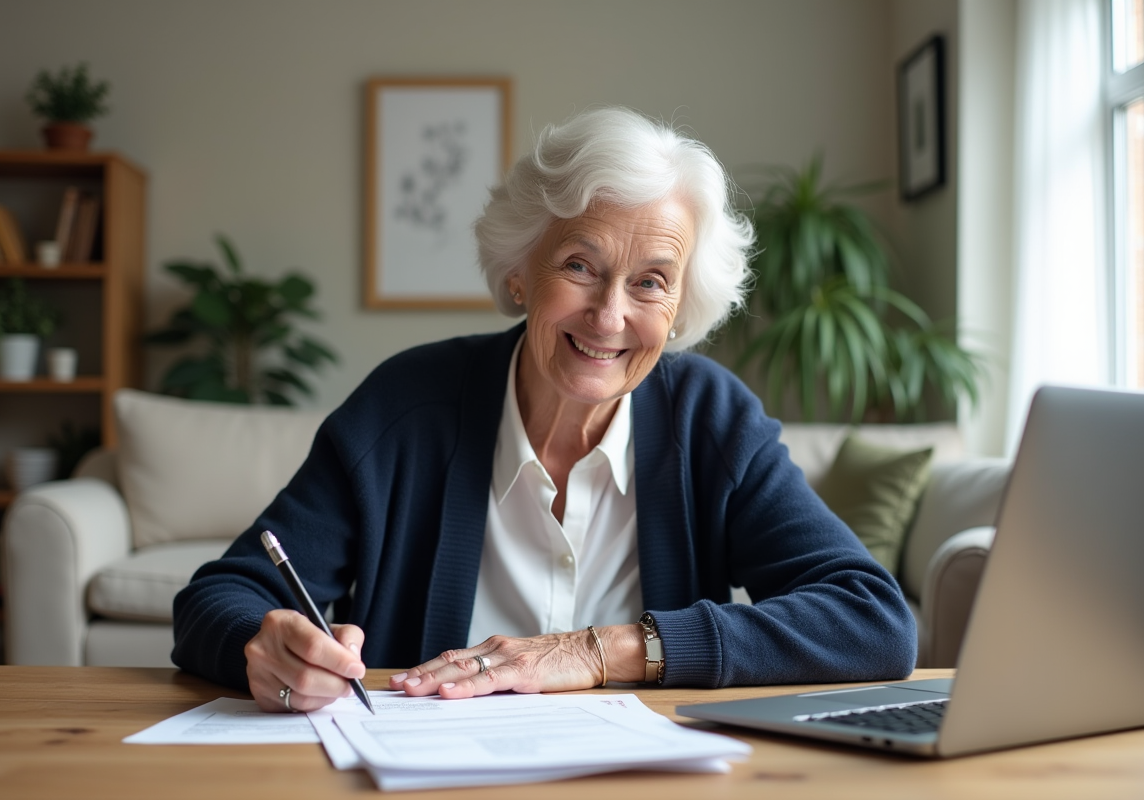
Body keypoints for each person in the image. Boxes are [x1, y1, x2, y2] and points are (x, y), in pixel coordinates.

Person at [172, 106, 917, 712]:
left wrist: (602, 650)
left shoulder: (711, 420)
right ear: (521, 271)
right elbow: (220, 596)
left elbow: (873, 622)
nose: (609, 316)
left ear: (682, 305)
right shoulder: (407, 405)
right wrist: (263, 646)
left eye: (652, 282)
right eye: (580, 266)